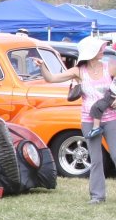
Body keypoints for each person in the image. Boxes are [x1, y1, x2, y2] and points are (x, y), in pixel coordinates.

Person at [32, 35, 115, 204]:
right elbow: (51, 79)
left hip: (111, 119)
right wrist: (43, 67)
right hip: (89, 120)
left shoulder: (110, 67)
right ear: (90, 52)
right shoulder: (78, 71)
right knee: (96, 159)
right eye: (99, 48)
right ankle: (97, 196)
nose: (102, 50)